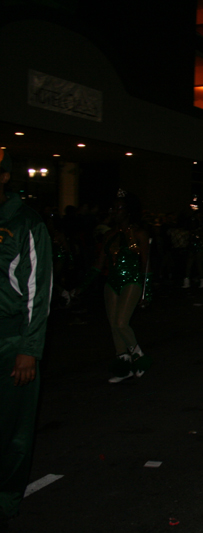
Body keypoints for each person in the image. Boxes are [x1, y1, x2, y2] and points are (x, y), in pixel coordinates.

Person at [0, 155, 53, 529]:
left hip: (11, 338)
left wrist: (28, 349)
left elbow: (38, 293)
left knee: (11, 426)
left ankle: (5, 499)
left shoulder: (25, 223)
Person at [77, 191, 152, 383]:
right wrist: (80, 286)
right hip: (112, 282)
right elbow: (99, 262)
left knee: (121, 322)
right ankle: (124, 366)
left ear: (128, 211)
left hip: (132, 280)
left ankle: (138, 355)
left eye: (120, 208)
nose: (115, 211)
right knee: (113, 325)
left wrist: (146, 291)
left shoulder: (139, 234)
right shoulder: (109, 234)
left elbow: (145, 263)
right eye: (114, 208)